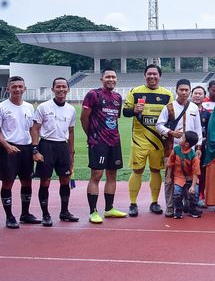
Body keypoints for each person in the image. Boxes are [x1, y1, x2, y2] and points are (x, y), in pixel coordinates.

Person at [123, 64, 173, 217]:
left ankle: (154, 202)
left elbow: (171, 117)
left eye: (155, 74)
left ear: (159, 76)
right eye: (149, 74)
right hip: (139, 140)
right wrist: (134, 110)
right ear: (145, 75)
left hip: (158, 141)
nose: (152, 77)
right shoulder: (135, 92)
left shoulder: (167, 94)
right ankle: (132, 203)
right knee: (137, 170)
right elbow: (125, 112)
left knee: (155, 170)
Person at [80, 69, 127, 224]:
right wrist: (91, 136)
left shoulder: (118, 97)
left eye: (113, 77)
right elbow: (84, 118)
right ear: (102, 79)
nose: (111, 79)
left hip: (114, 141)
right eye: (108, 76)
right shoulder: (93, 94)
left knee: (112, 175)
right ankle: (93, 211)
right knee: (97, 175)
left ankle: (109, 209)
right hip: (98, 142)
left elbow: (114, 119)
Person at [30, 77, 77, 226]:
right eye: (58, 87)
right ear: (53, 89)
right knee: (45, 181)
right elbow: (35, 129)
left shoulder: (71, 109)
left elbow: (71, 132)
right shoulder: (43, 107)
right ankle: (45, 214)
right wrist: (35, 149)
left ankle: (64, 212)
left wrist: (71, 153)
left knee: (65, 180)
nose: (61, 89)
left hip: (62, 147)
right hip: (46, 146)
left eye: (64, 87)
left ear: (68, 89)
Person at [156, 79, 203, 217]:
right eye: (181, 89)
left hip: (190, 150)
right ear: (176, 90)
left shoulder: (194, 107)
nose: (183, 92)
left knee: (188, 177)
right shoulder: (169, 107)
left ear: (190, 91)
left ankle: (188, 205)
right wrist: (171, 132)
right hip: (172, 148)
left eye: (186, 90)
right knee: (170, 177)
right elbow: (159, 125)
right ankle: (171, 207)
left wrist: (198, 146)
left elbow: (198, 129)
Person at [1, 76, 38, 228]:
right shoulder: (2, 107)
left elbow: (32, 129)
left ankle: (25, 214)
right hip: (8, 148)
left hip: (26, 148)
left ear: (24, 88)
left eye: (20, 86)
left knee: (27, 181)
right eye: (14, 86)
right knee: (8, 182)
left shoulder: (29, 107)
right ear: (8, 89)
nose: (17, 89)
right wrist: (6, 146)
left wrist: (34, 148)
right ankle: (9, 216)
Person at [165, 131, 201, 219]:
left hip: (191, 178)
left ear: (186, 144)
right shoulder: (176, 150)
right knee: (177, 193)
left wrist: (193, 186)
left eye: (182, 138)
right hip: (179, 177)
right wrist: (168, 176)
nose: (179, 139)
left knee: (194, 193)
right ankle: (178, 210)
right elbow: (170, 164)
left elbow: (195, 172)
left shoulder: (193, 156)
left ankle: (193, 209)